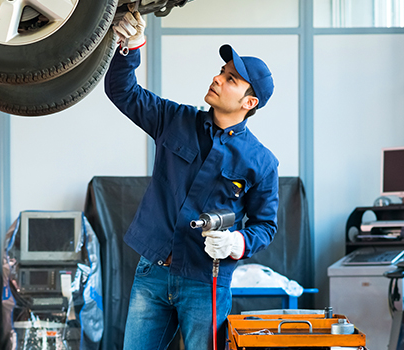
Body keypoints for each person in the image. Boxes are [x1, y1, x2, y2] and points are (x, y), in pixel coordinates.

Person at [106, 7, 280, 350]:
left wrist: (236, 243)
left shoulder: (261, 162)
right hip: (152, 273)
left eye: (231, 79)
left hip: (206, 282)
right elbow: (121, 91)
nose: (217, 79)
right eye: (221, 71)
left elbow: (266, 225)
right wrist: (132, 46)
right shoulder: (175, 120)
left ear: (250, 101)